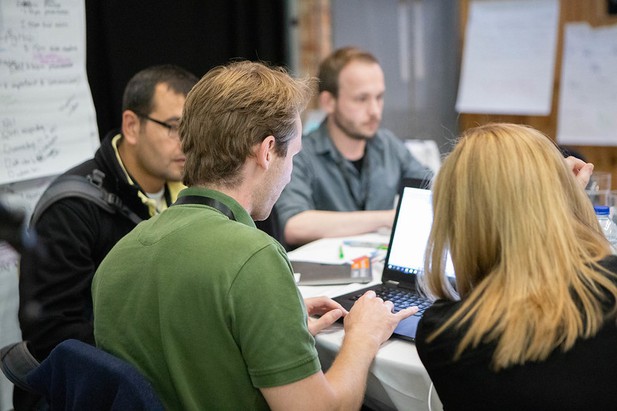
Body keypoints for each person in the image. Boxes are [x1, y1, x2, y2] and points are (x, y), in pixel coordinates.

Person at [92, 60, 417, 410]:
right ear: (265, 152)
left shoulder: (119, 255)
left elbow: (182, 348)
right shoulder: (254, 258)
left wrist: (274, 321)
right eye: (291, 157)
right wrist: (363, 338)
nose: (290, 174)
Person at [415, 123, 617, 410]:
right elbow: (590, 268)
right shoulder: (610, 290)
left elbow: (488, 286)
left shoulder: (444, 333)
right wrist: (567, 204)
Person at [18, 64, 198, 363]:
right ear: (131, 126)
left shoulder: (188, 188)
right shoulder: (71, 209)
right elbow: (52, 334)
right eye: (174, 128)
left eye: (193, 130)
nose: (187, 143)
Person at [275, 46, 432, 247]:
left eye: (379, 97)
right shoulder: (300, 154)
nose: (375, 111)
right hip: (325, 275)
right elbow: (294, 225)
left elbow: (432, 189)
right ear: (328, 102)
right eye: (361, 99)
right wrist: (387, 218)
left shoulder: (387, 145)